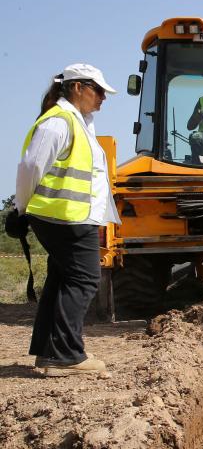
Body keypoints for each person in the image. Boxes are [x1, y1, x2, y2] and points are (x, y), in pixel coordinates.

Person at [14, 63, 121, 376]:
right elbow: (30, 168)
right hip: (66, 217)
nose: (103, 97)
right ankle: (65, 355)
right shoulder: (59, 122)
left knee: (62, 278)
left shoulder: (78, 121)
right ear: (77, 87)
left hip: (70, 216)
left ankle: (50, 351)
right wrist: (21, 210)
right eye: (98, 90)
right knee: (84, 279)